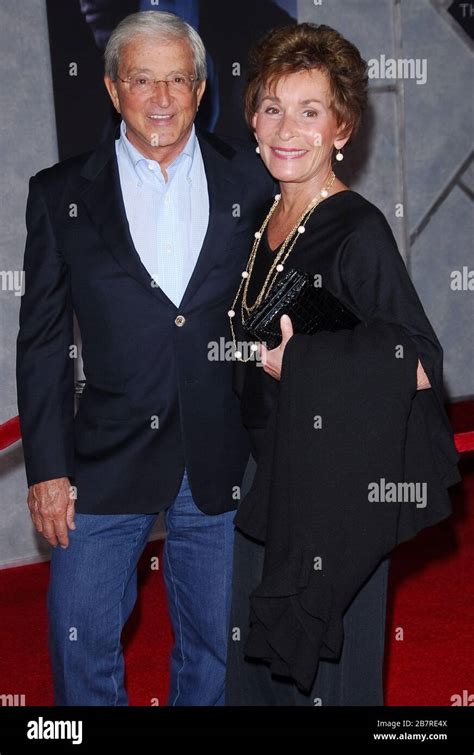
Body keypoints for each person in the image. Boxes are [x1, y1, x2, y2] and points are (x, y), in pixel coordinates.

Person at [16, 11, 273, 706]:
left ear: (201, 88)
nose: (161, 98)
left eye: (178, 80)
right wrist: (47, 468)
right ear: (111, 87)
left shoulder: (252, 181)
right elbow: (40, 339)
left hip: (223, 452)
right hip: (103, 455)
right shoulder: (59, 192)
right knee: (79, 631)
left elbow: (285, 300)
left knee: (219, 642)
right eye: (141, 80)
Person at [225, 23, 460, 705]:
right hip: (269, 472)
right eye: (272, 107)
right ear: (253, 118)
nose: (287, 128)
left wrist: (307, 363)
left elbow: (419, 361)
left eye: (310, 110)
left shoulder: (356, 229)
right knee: (262, 668)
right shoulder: (264, 217)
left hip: (334, 493)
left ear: (342, 127)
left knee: (326, 679)